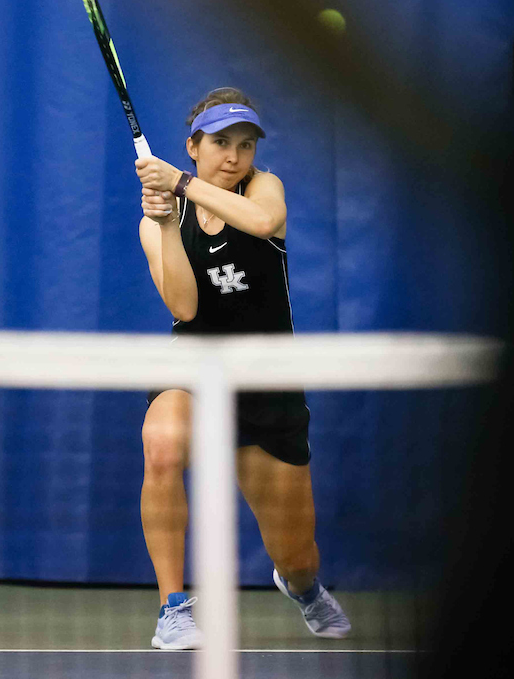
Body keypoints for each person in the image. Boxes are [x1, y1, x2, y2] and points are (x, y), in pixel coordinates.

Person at [135, 87, 351, 650]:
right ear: (193, 145)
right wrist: (163, 222)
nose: (234, 155)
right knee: (160, 443)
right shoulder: (162, 217)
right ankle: (173, 608)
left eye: (246, 145)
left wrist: (179, 181)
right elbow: (183, 308)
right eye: (221, 142)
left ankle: (301, 586)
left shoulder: (263, 188)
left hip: (265, 382)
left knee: (297, 555)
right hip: (196, 367)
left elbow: (261, 221)